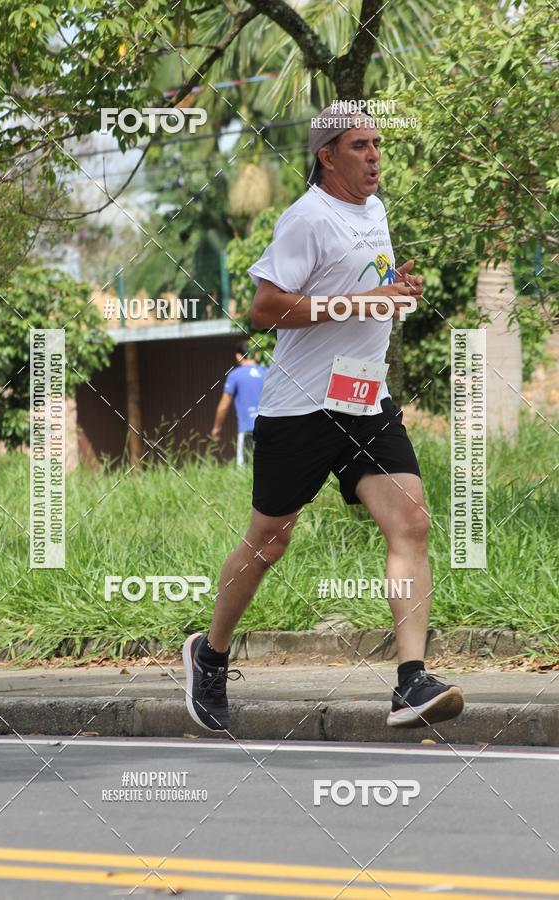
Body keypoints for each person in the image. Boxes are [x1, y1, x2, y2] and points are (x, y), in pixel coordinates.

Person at [183, 104, 465, 733]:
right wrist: (360, 300)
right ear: (326, 155)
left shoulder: (377, 211)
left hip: (364, 399)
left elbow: (368, 282)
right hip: (302, 406)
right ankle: (210, 655)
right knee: (269, 542)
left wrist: (396, 288)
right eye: (359, 145)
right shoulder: (305, 218)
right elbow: (264, 309)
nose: (374, 156)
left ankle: (410, 679)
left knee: (411, 519)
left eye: (378, 144)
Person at [211, 341, 266, 466]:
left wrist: (217, 428)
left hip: (248, 430)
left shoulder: (235, 375)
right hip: (269, 429)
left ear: (238, 356)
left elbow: (224, 405)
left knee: (245, 473)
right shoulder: (268, 372)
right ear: (256, 355)